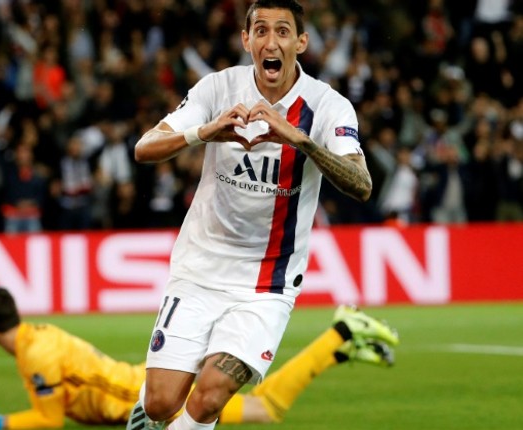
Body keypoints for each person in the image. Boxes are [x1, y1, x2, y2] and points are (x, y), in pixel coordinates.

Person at [129, 1, 377, 429]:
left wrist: (301, 141)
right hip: (199, 268)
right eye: (260, 30)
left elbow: (362, 183)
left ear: (301, 41)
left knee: (208, 397)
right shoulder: (217, 89)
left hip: (267, 283)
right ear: (246, 40)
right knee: (159, 404)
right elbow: (144, 148)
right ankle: (148, 411)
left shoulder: (327, 107)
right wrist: (203, 132)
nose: (270, 41)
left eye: (283, 31)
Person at [0, 287, 399, 429]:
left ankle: (342, 329)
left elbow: (49, 421)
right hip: (131, 389)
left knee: (268, 407)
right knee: (265, 406)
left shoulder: (36, 354)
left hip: (142, 396)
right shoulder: (35, 340)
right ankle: (342, 349)